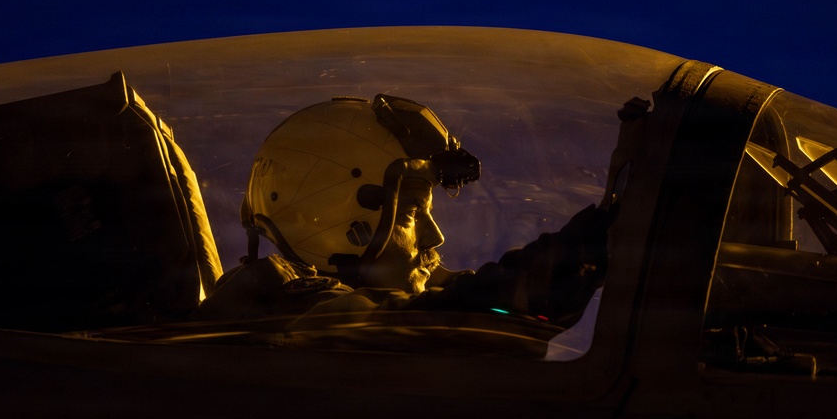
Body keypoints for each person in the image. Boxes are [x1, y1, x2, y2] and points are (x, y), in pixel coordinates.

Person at [194, 94, 612, 330]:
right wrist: (575, 256)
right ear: (337, 227)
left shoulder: (346, 295)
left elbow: (451, 293)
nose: (435, 237)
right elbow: (430, 324)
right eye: (411, 215)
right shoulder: (298, 316)